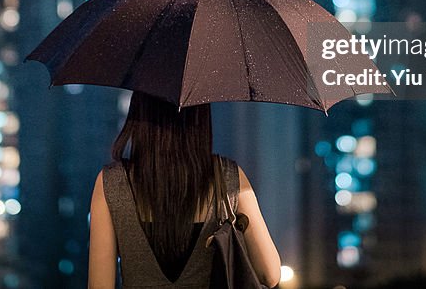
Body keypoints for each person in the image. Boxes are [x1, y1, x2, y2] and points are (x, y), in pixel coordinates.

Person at [88, 91, 282, 288]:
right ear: (201, 117)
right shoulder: (228, 176)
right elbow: (270, 274)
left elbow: (99, 285)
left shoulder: (111, 182)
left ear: (139, 112)